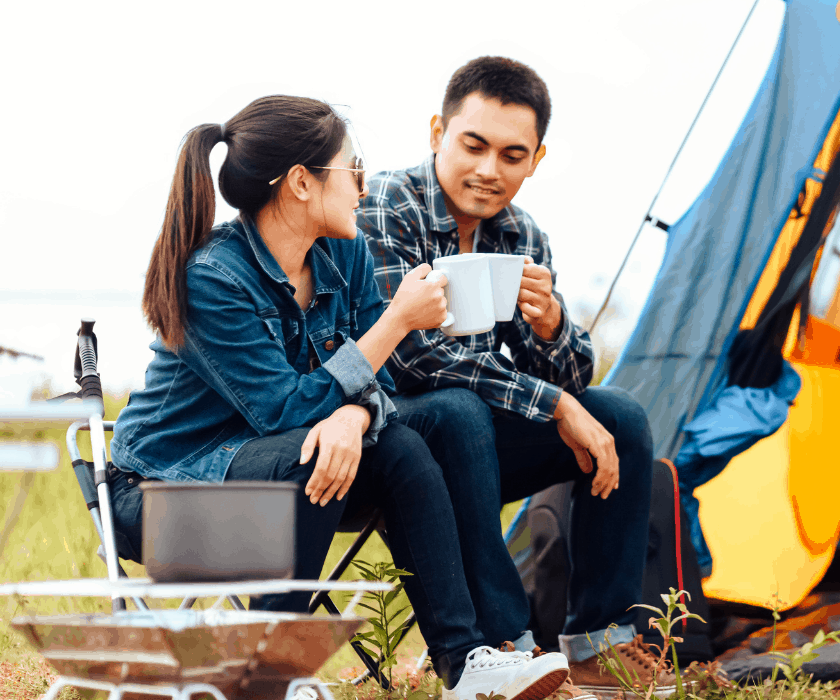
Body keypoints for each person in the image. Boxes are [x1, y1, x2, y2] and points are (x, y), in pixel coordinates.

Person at [107, 95, 571, 700]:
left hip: (287, 477)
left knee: (436, 422)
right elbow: (285, 412)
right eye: (352, 169)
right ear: (301, 183)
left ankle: (473, 660)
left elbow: (381, 384)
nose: (363, 185)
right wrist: (396, 324)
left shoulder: (343, 252)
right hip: (167, 504)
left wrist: (353, 414)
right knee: (315, 447)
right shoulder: (212, 277)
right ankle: (268, 674)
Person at [358, 57, 664, 695]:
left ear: (537, 159)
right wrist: (552, 403)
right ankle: (505, 643)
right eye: (473, 145)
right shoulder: (388, 204)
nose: (489, 170)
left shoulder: (521, 234)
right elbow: (411, 358)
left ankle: (599, 644)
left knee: (620, 419)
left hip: (473, 444)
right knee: (458, 411)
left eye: (512, 154)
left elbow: (573, 381)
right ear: (437, 130)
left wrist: (552, 326)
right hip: (386, 437)